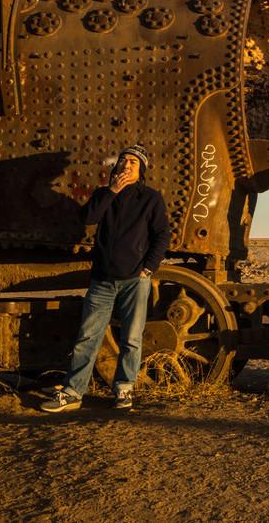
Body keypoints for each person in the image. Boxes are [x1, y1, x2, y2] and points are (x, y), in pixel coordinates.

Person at [41, 144, 170, 412]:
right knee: (88, 336)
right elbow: (88, 218)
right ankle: (73, 392)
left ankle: (124, 389)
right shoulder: (104, 194)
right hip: (102, 279)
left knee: (132, 339)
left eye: (134, 163)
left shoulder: (150, 198)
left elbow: (161, 235)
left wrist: (148, 269)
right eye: (123, 161)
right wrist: (112, 191)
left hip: (135, 279)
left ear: (141, 171)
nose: (127, 165)